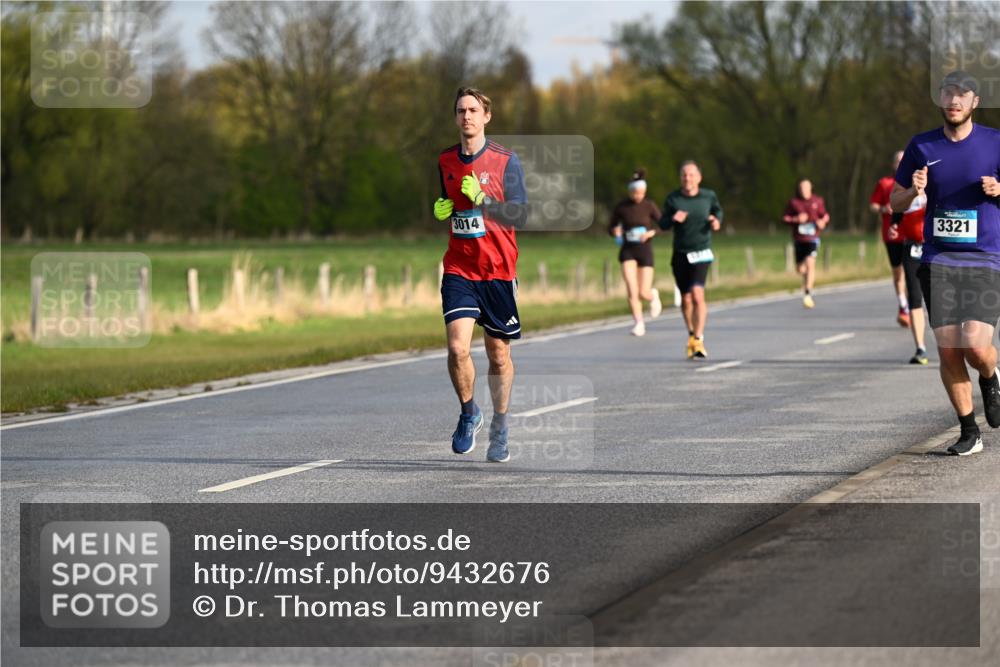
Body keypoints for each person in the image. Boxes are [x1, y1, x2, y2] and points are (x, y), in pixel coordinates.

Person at [891, 71, 1000, 456]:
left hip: (985, 258)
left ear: (973, 102)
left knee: (976, 345)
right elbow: (895, 202)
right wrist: (913, 191)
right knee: (949, 350)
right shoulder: (921, 146)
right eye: (947, 94)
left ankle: (990, 375)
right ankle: (970, 432)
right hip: (938, 259)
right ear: (940, 100)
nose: (954, 101)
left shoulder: (995, 143)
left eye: (962, 95)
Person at [433, 87, 528, 463]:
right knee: (457, 348)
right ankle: (469, 411)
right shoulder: (445, 160)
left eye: (473, 110)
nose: (467, 116)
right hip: (460, 267)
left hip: (499, 269)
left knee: (498, 356)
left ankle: (501, 426)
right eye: (461, 111)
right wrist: (443, 209)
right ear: (455, 117)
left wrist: (484, 201)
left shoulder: (506, 160)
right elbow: (452, 204)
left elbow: (520, 215)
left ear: (486, 116)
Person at [658, 161, 723, 359]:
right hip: (680, 253)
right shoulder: (673, 199)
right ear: (681, 178)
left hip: (701, 252)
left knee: (697, 295)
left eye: (692, 175)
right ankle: (691, 334)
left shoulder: (708, 196)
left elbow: (717, 211)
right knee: (686, 299)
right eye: (684, 175)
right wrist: (672, 219)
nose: (688, 178)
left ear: (699, 178)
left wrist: (716, 220)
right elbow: (662, 223)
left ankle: (699, 338)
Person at [609, 168, 663, 336]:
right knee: (632, 290)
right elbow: (611, 226)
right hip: (628, 251)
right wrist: (615, 231)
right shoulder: (622, 207)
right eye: (635, 192)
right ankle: (639, 322)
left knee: (642, 292)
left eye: (640, 193)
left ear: (644, 191)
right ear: (630, 191)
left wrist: (651, 233)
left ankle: (653, 296)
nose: (637, 196)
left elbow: (663, 224)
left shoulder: (649, 206)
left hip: (645, 250)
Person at [871, 151, 912, 327]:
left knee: (912, 274)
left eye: (904, 161)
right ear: (893, 164)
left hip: (912, 235)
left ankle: (911, 306)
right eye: (897, 161)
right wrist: (882, 209)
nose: (900, 164)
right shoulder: (885, 183)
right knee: (898, 273)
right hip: (892, 234)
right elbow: (873, 205)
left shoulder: (916, 183)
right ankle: (903, 306)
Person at [892, 193, 929, 365]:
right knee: (915, 297)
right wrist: (894, 224)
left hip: (936, 247)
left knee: (941, 297)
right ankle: (920, 348)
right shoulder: (908, 188)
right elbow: (898, 207)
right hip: (912, 247)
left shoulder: (941, 183)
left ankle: (954, 346)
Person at [782, 179, 830, 309]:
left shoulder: (817, 201)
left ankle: (808, 293)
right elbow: (784, 218)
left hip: (812, 238)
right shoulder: (794, 203)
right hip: (799, 239)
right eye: (801, 188)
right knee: (800, 269)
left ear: (810, 188)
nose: (804, 190)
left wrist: (822, 222)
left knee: (810, 263)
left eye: (806, 188)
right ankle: (806, 279)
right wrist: (796, 219)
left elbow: (825, 216)